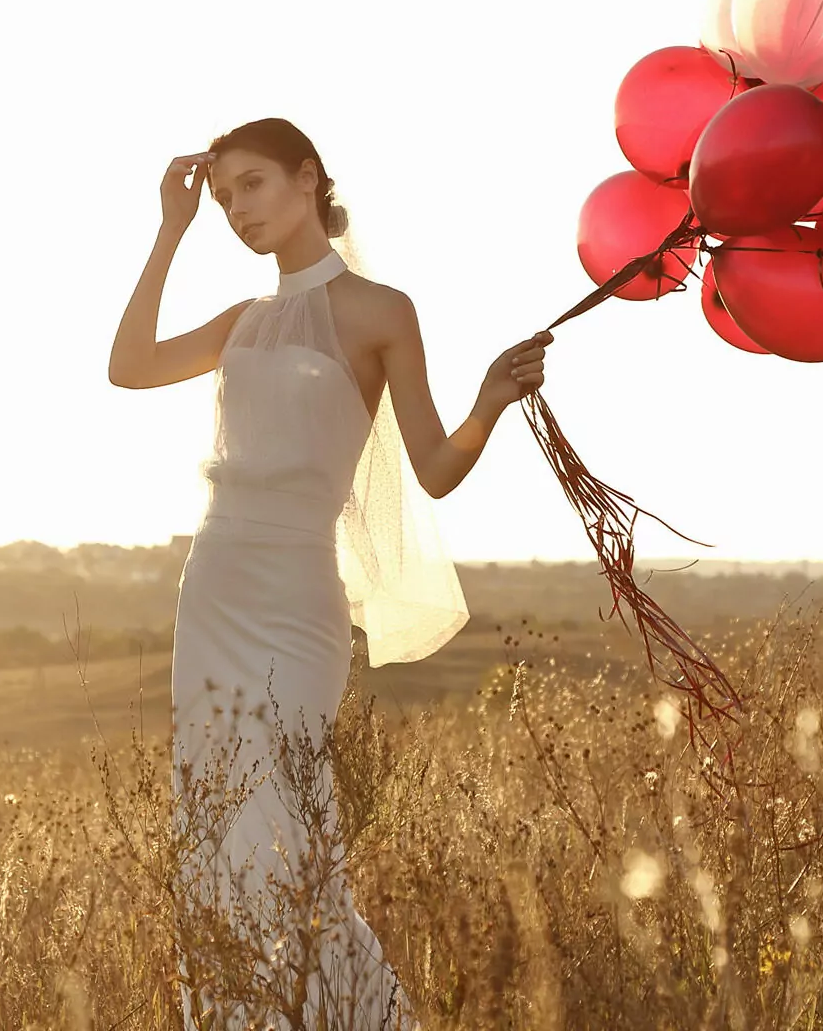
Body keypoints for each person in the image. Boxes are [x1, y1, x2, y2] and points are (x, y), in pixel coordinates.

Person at [109, 117, 550, 1028]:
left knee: (292, 823)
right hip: (216, 587)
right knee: (216, 821)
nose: (236, 208)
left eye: (254, 184)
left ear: (309, 178)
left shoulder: (383, 311)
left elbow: (433, 467)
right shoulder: (242, 321)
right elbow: (128, 368)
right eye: (225, 194)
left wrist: (489, 404)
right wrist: (169, 229)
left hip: (300, 601)